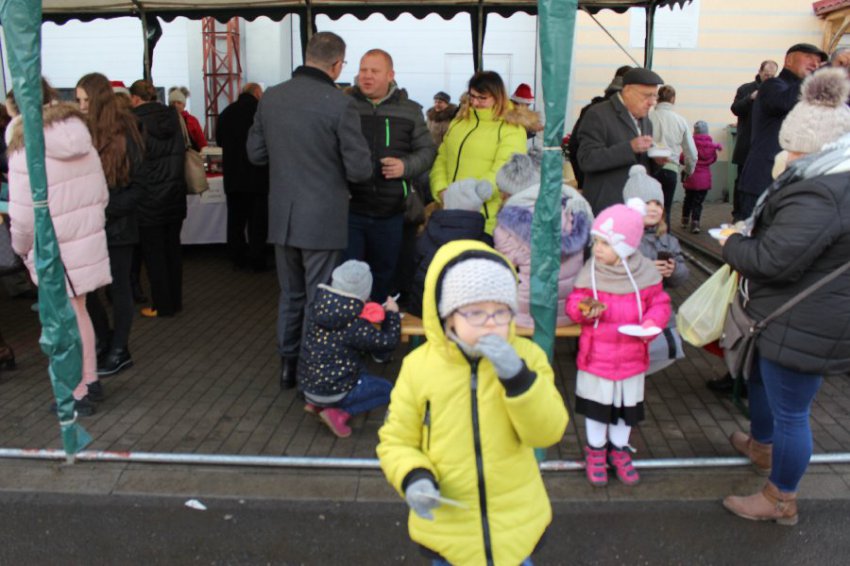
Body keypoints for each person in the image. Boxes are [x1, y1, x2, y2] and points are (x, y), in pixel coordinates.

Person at [377, 239, 569, 566]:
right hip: (448, 526)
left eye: (501, 311)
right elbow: (396, 440)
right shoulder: (419, 367)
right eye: (476, 312)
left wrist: (518, 378)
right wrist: (413, 476)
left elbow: (547, 432)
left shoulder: (528, 358)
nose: (491, 322)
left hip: (515, 524)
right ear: (447, 316)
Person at [720, 68, 850, 526]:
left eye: (792, 148)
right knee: (762, 381)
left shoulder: (821, 192)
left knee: (792, 413)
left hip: (806, 320)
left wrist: (732, 243)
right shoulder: (830, 179)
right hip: (792, 313)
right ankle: (761, 446)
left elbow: (773, 260)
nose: (786, 155)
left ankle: (781, 498)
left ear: (814, 147)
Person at [246, 31, 372, 390]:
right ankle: (311, 369)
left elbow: (255, 154)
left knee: (291, 294)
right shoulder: (340, 104)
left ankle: (287, 365)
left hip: (282, 214)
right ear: (337, 65)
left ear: (307, 55)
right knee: (319, 296)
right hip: (322, 217)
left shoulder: (271, 97)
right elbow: (359, 170)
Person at [7, 80, 112, 416]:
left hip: (54, 246)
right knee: (80, 311)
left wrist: (21, 247)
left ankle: (76, 392)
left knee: (63, 321)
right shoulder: (79, 133)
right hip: (86, 238)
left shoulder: (25, 144)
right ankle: (90, 380)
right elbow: (102, 194)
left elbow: (23, 215)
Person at [566, 199, 671, 487]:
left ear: (625, 246)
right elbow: (575, 303)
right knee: (596, 409)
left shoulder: (645, 273)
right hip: (596, 357)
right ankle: (596, 451)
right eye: (597, 242)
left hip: (631, 357)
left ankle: (620, 450)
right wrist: (584, 309)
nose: (598, 249)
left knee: (626, 411)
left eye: (606, 243)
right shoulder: (591, 271)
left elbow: (660, 304)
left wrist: (651, 324)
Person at [344, 49, 436, 302]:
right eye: (363, 70)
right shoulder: (346, 106)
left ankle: (377, 320)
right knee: (349, 276)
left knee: (384, 276)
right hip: (350, 209)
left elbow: (428, 151)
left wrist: (405, 166)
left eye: (374, 71)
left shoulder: (410, 110)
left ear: (390, 75)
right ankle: (352, 322)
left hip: (392, 211)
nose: (367, 76)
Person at [76, 73, 145, 376]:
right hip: (91, 226)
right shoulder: (81, 133)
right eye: (78, 100)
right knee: (87, 288)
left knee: (118, 288)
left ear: (98, 100)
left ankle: (119, 348)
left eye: (84, 100)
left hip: (117, 225)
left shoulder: (127, 132)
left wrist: (103, 210)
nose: (80, 106)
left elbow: (139, 187)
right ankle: (105, 341)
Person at [298, 260, 400, 438]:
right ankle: (338, 413)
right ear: (365, 292)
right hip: (334, 389)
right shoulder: (355, 323)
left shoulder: (319, 307)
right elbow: (388, 342)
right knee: (388, 390)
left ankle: (318, 405)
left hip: (308, 386)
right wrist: (392, 314)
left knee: (359, 370)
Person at [494, 152, 593, 328]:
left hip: (530, 312)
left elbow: (504, 266)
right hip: (569, 308)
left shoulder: (508, 224)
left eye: (502, 191)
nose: (501, 196)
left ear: (510, 192)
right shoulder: (570, 209)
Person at [430, 71, 529, 235]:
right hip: (449, 214)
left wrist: (468, 198)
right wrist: (441, 189)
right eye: (472, 96)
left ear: (497, 97)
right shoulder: (459, 122)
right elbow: (442, 158)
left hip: (485, 221)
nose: (475, 102)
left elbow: (504, 173)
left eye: (482, 98)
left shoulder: (511, 128)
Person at [735, 44, 826, 221]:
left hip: (793, 182)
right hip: (763, 180)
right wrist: (819, 76)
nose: (815, 64)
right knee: (751, 234)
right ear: (789, 60)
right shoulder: (772, 85)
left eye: (818, 61)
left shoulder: (811, 92)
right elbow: (785, 102)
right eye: (809, 57)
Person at [129, 79, 187, 318]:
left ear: (135, 98)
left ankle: (161, 305)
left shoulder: (134, 121)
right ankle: (175, 301)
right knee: (173, 250)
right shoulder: (173, 117)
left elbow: (133, 162)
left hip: (148, 197)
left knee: (154, 255)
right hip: (174, 193)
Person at [576, 67, 664, 215]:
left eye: (655, 96)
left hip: (637, 207)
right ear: (627, 91)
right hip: (608, 207)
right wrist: (630, 148)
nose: (652, 102)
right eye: (647, 96)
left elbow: (642, 164)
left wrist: (656, 161)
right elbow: (587, 159)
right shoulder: (598, 114)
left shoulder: (646, 121)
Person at [407, 179, 493, 317]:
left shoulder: (427, 235)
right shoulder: (486, 242)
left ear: (447, 204)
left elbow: (412, 267)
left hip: (424, 308)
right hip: (467, 314)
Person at [215, 82, 270, 272]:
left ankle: (237, 258)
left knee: (235, 221)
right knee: (257, 222)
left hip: (233, 175)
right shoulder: (261, 112)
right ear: (257, 93)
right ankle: (257, 259)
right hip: (258, 175)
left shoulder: (226, 112)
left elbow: (219, 141)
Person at [623, 165, 688, 288]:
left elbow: (682, 277)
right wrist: (645, 271)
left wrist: (674, 270)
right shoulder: (621, 240)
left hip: (658, 298)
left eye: (658, 204)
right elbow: (613, 276)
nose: (653, 208)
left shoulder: (669, 241)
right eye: (647, 203)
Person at [568, 65, 632, 188]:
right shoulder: (604, 112)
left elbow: (574, 146)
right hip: (612, 186)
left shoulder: (591, 109)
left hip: (593, 184)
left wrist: (582, 180)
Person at [730, 60, 778, 219]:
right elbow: (735, 109)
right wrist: (750, 98)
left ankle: (760, 214)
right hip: (747, 144)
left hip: (766, 146)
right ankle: (738, 214)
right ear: (760, 72)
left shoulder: (778, 90)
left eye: (772, 76)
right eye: (766, 75)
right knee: (741, 181)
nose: (769, 78)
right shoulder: (745, 89)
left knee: (765, 181)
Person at [648, 84, 697, 226]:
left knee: (649, 211)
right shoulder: (680, 121)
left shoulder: (648, 118)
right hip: (671, 170)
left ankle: (649, 238)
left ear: (657, 98)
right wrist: (688, 170)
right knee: (666, 210)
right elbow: (691, 152)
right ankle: (664, 238)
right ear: (673, 99)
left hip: (650, 169)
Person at [681, 121, 722, 233]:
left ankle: (684, 220)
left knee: (688, 199)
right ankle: (695, 223)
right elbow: (713, 159)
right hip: (704, 180)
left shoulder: (691, 144)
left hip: (691, 177)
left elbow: (682, 158)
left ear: (695, 132)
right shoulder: (711, 146)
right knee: (698, 202)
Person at [168, 86, 207, 152]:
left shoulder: (192, 121)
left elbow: (201, 142)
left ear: (184, 105)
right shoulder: (164, 119)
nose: (175, 105)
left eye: (179, 103)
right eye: (173, 103)